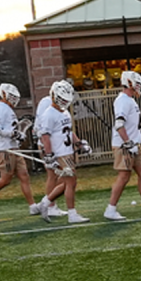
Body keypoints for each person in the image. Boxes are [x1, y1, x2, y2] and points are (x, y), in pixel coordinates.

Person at [102, 71, 141, 220]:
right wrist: (127, 142)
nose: (139, 87)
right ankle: (110, 209)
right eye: (137, 84)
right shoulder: (123, 100)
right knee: (124, 176)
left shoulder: (130, 100)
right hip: (125, 145)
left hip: (134, 144)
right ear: (129, 83)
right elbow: (119, 124)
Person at [32, 80, 90, 223]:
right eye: (62, 99)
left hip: (67, 151)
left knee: (68, 182)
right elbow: (45, 136)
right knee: (70, 182)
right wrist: (49, 155)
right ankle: (72, 214)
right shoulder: (49, 114)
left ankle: (45, 203)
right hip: (60, 153)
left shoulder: (64, 113)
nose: (64, 103)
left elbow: (68, 132)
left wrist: (79, 143)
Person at [0, 83, 38, 214]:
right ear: (4, 94)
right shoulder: (0, 107)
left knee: (24, 175)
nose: (14, 99)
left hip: (13, 147)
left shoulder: (7, 108)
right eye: (11, 96)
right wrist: (12, 134)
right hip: (5, 148)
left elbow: (11, 129)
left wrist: (18, 135)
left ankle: (32, 206)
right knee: (6, 179)